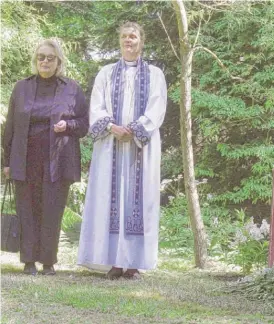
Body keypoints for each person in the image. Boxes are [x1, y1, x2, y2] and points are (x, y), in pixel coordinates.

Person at [77, 22, 167, 279]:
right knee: (111, 199)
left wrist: (136, 129)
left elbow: (157, 107)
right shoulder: (105, 73)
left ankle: (134, 263)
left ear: (142, 41)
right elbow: (96, 106)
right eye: (125, 37)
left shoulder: (155, 74)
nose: (129, 40)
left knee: (139, 201)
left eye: (133, 36)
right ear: (120, 41)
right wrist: (112, 127)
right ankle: (114, 262)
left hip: (141, 149)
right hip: (110, 146)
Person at [2, 39, 89, 275]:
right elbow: (9, 127)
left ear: (59, 61)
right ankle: (29, 260)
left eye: (50, 58)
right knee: (27, 209)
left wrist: (67, 125)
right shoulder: (22, 87)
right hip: (25, 158)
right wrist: (7, 162)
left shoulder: (71, 88)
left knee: (52, 209)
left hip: (57, 160)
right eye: (41, 57)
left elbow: (84, 124)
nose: (45, 61)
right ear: (35, 60)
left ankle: (48, 262)